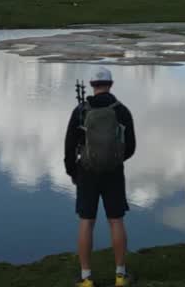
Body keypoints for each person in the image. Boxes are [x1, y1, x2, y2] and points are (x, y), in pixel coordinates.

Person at [64, 66, 137, 287]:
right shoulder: (122, 110)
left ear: (92, 85)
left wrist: (73, 171)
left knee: (87, 222)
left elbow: (68, 146)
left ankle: (86, 278)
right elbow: (131, 146)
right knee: (116, 220)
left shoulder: (80, 111)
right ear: (111, 84)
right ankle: (120, 275)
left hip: (86, 172)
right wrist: (115, 160)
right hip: (113, 173)